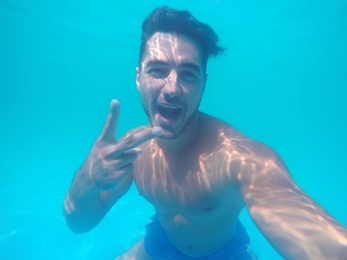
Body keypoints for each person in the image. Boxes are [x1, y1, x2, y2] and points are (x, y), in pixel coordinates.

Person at [63, 6, 347, 260]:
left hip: (225, 253)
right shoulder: (134, 150)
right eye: (158, 70)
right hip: (161, 244)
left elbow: (321, 240)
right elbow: (79, 224)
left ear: (203, 84)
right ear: (138, 78)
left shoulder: (239, 158)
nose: (172, 88)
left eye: (188, 74)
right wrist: (86, 182)